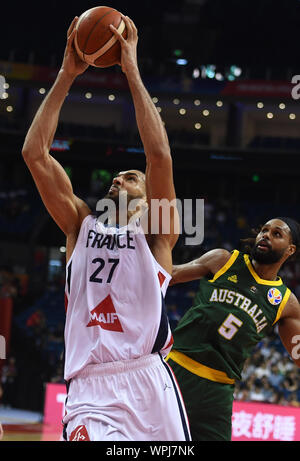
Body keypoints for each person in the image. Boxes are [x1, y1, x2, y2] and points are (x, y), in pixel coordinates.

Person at [22, 15, 190, 442]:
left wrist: (130, 68)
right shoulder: (81, 223)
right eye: (116, 176)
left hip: (149, 383)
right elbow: (35, 154)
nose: (118, 179)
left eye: (130, 177)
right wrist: (67, 74)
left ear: (148, 191)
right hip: (91, 389)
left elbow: (160, 158)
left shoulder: (157, 234)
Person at [168, 217, 300, 441]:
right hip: (176, 370)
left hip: (218, 390)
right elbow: (169, 275)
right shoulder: (224, 260)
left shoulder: (286, 303)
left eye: (276, 234)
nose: (266, 235)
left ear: (290, 249)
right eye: (264, 230)